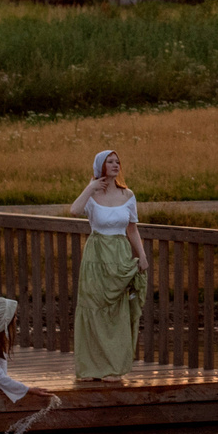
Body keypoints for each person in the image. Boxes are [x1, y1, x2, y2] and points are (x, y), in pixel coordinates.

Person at [70, 148, 147, 382]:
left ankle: (113, 367)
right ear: (100, 166)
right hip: (97, 256)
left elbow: (132, 228)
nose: (115, 165)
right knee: (94, 308)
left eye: (117, 162)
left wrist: (141, 256)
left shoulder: (128, 195)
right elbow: (74, 211)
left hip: (120, 255)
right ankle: (91, 367)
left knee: (116, 311)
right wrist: (90, 187)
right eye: (110, 162)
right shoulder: (92, 195)